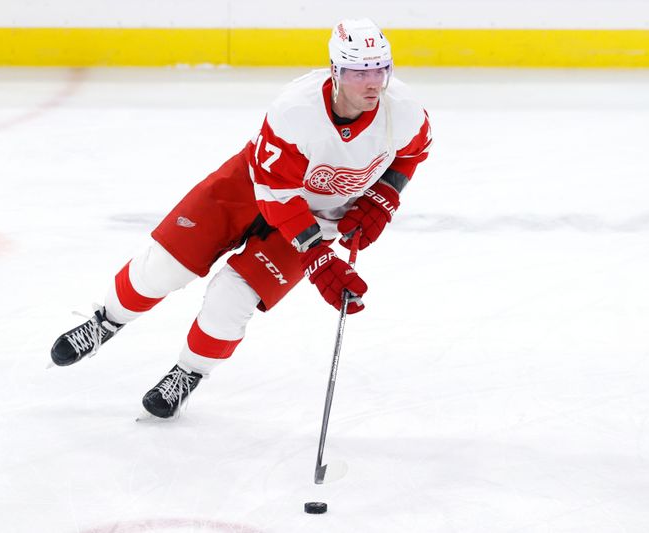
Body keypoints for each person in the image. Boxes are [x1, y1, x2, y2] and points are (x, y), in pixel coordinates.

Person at [50, 18, 432, 419]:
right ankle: (105, 322)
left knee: (231, 300)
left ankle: (189, 372)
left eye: (380, 69)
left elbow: (411, 153)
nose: (373, 83)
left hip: (319, 216)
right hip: (248, 190)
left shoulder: (403, 111)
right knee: (163, 268)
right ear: (335, 71)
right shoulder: (296, 110)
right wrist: (317, 259)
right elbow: (279, 198)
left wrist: (383, 197)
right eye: (359, 72)